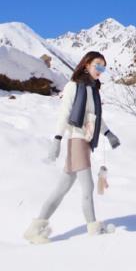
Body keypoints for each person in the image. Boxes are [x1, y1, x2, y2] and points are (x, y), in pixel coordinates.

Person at [23, 51, 121, 244]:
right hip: (76, 140)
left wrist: (109, 134)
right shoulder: (73, 87)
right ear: (86, 65)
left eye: (103, 66)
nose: (100, 70)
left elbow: (95, 118)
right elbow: (64, 114)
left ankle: (34, 230)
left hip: (86, 140)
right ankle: (94, 229)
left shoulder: (93, 90)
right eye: (97, 65)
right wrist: (57, 140)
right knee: (88, 186)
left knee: (61, 190)